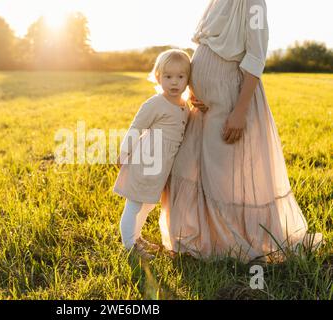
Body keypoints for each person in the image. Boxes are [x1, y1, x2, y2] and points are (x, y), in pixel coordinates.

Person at [159, 0, 323, 262]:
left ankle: (230, 244)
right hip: (202, 106)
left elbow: (256, 57)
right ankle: (198, 238)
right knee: (188, 167)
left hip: (230, 101)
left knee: (222, 175)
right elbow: (205, 48)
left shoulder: (254, 4)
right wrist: (192, 87)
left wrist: (240, 111)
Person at [113, 49, 191, 260]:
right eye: (168, 77)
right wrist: (124, 152)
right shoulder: (155, 103)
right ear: (158, 77)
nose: (174, 82)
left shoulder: (184, 106)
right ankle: (129, 246)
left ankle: (136, 237)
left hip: (160, 167)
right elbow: (136, 128)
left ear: (188, 79)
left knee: (146, 204)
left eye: (180, 77)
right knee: (135, 203)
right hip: (144, 162)